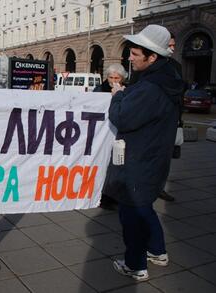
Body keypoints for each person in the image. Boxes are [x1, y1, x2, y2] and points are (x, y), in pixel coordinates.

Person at [103, 25, 184, 281]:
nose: (130, 57)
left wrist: (117, 96)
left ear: (152, 57)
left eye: (135, 53)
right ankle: (157, 251)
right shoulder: (164, 79)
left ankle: (135, 265)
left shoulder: (150, 87)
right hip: (152, 160)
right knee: (144, 209)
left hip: (137, 164)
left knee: (132, 217)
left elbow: (123, 118)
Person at [94, 63, 128, 210]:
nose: (114, 80)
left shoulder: (127, 90)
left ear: (122, 78)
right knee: (103, 164)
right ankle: (104, 197)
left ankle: (114, 195)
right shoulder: (99, 89)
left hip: (119, 132)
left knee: (117, 165)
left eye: (117, 77)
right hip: (102, 132)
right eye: (111, 77)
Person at [158, 32, 184, 202]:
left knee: (166, 158)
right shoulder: (152, 64)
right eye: (170, 45)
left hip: (171, 119)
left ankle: (160, 187)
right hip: (154, 119)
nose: (173, 48)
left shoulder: (176, 66)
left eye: (174, 45)